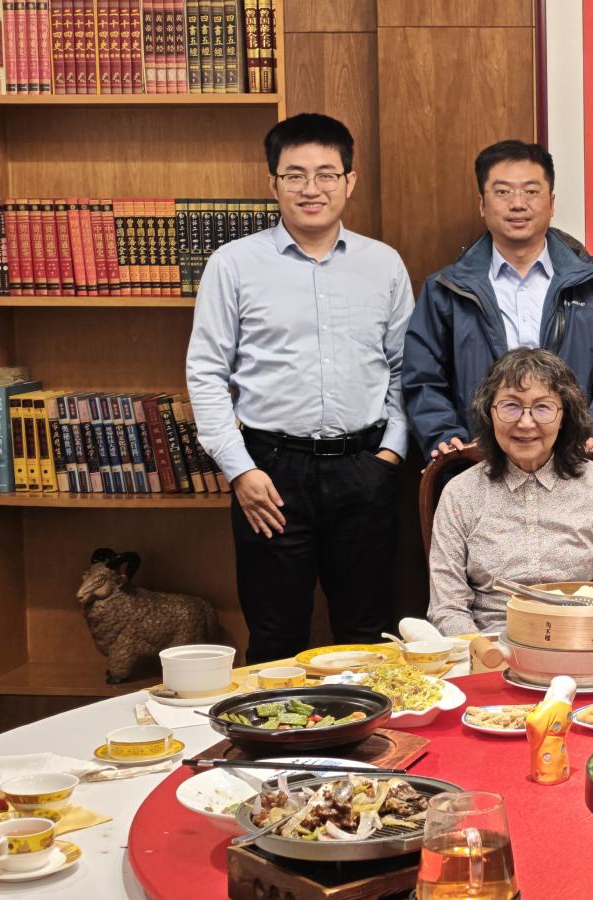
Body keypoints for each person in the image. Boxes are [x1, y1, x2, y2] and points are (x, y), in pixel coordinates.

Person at [186, 113, 414, 664]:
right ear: (273, 184)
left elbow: (407, 369)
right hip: (270, 473)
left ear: (349, 181)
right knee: (274, 637)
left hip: (365, 468)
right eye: (295, 175)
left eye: (326, 174)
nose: (311, 189)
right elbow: (206, 372)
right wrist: (241, 470)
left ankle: (370, 752)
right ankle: (273, 752)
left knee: (368, 639)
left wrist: (390, 454)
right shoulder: (234, 265)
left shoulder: (382, 265)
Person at [403, 139, 593, 464]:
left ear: (551, 203)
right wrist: (447, 439)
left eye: (531, 192)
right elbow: (423, 377)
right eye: (503, 192)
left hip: (570, 467)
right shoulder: (445, 289)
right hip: (477, 468)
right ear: (482, 204)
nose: (518, 204)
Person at [427, 349, 593, 635]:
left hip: (581, 643)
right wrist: (483, 653)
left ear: (564, 416)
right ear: (490, 413)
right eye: (510, 406)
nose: (526, 423)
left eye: (543, 407)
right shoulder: (460, 492)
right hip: (488, 648)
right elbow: (447, 607)